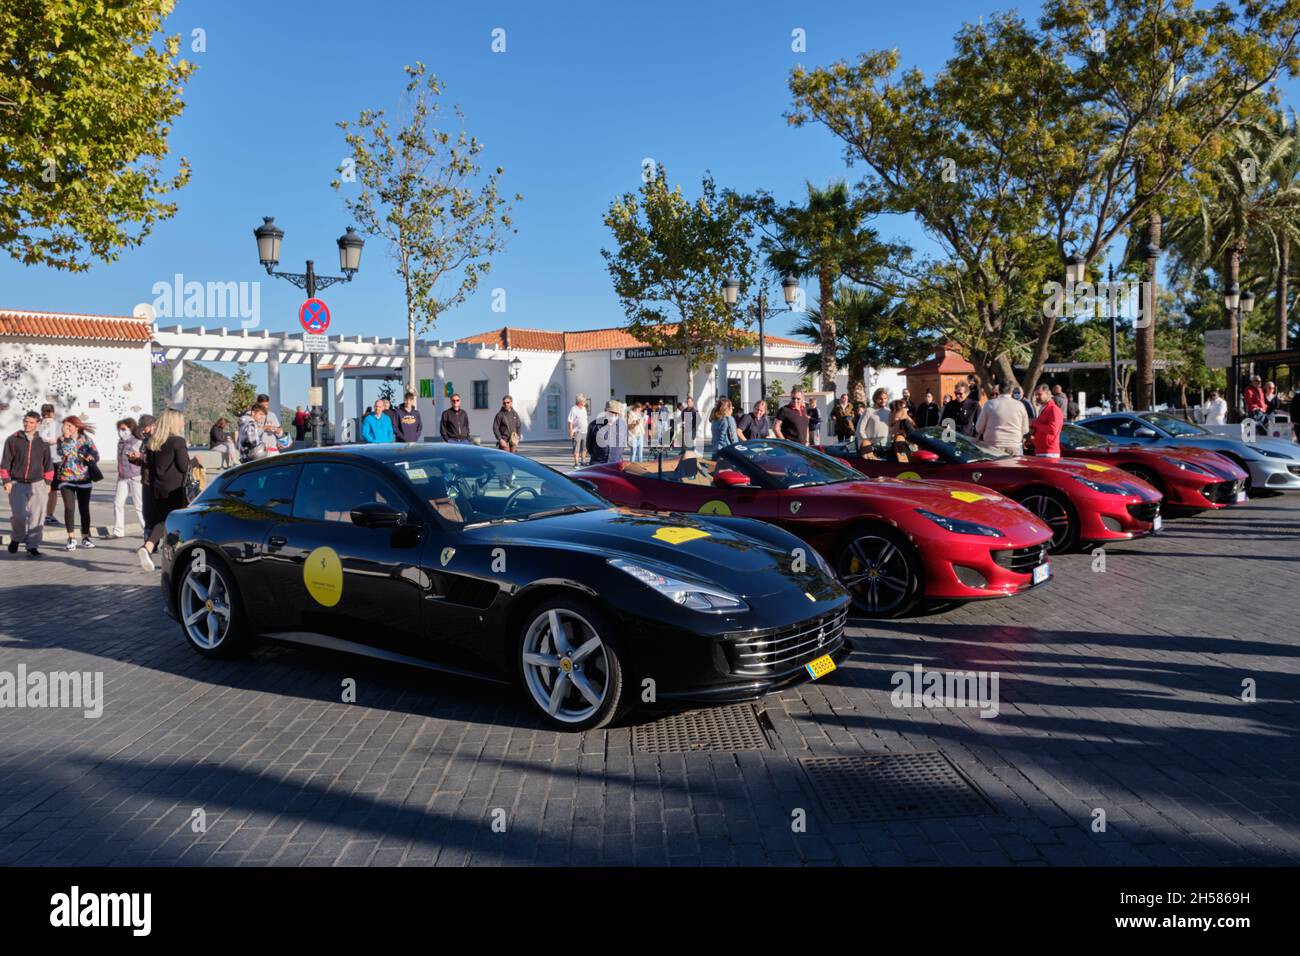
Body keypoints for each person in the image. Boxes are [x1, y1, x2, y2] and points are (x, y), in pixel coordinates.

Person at [135, 409, 189, 571]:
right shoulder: (178, 442)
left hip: (156, 488)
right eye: (181, 420)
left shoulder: (153, 442)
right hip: (174, 489)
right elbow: (184, 466)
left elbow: (150, 469)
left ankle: (154, 550)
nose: (183, 423)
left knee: (165, 521)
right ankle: (150, 547)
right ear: (174, 422)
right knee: (172, 521)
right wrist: (194, 462)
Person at [2, 410, 53, 557]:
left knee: (37, 517)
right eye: (25, 421)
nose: (27, 424)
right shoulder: (13, 439)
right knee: (19, 515)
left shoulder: (42, 442)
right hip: (17, 484)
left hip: (38, 484)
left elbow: (48, 464)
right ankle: (17, 538)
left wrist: (48, 483)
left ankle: (32, 546)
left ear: (37, 424)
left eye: (31, 422)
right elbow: (5, 462)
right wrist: (6, 480)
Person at [54, 416, 100, 551]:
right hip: (66, 478)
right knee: (69, 508)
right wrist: (67, 438)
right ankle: (71, 538)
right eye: (64, 426)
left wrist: (92, 457)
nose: (66, 428)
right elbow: (63, 452)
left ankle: (85, 537)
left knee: (84, 509)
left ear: (76, 427)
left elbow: (96, 454)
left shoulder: (86, 440)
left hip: (84, 478)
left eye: (69, 426)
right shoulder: (61, 440)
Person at [112, 418, 146, 539]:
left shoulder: (138, 441)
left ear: (131, 429)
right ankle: (118, 531)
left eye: (124, 429)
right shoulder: (120, 442)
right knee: (117, 503)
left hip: (136, 476)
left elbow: (144, 456)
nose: (121, 432)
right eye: (119, 429)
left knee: (139, 505)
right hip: (122, 476)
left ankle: (146, 529)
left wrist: (137, 456)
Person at [976, 387, 1031, 457]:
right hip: (1014, 446)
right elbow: (1025, 429)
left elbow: (978, 428)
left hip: (993, 446)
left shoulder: (989, 404)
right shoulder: (1020, 405)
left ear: (999, 391)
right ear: (1011, 391)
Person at [38, 404, 61, 527]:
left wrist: (57, 440)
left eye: (48, 414)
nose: (46, 416)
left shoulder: (59, 425)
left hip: (56, 461)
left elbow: (64, 438)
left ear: (53, 413)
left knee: (53, 490)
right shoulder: (38, 425)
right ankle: (38, 514)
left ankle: (49, 514)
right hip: (41, 462)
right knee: (40, 489)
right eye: (44, 414)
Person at [1028, 383, 1063, 457]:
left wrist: (1034, 423)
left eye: (1039, 394)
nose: (1037, 397)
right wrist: (1033, 433)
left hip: (1049, 451)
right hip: (1041, 450)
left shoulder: (1054, 409)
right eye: (1036, 394)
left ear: (1047, 393)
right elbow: (1042, 429)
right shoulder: (1043, 408)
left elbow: (1053, 430)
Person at [587, 400, 626, 464]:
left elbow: (623, 444)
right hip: (598, 463)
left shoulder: (623, 425)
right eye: (611, 412)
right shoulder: (594, 425)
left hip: (616, 464)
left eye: (616, 413)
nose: (614, 415)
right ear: (605, 411)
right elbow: (589, 446)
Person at [856, 388, 891, 455]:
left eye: (885, 398)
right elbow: (860, 429)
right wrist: (867, 441)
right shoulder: (868, 411)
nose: (883, 400)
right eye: (880, 399)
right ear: (875, 399)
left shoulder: (889, 411)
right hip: (870, 447)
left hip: (886, 446)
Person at [568, 394, 589, 466]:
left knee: (584, 448)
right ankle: (576, 463)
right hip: (577, 432)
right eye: (584, 401)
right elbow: (570, 421)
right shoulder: (573, 409)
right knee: (576, 448)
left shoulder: (584, 409)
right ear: (580, 401)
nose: (585, 402)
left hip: (585, 431)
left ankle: (583, 461)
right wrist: (570, 431)